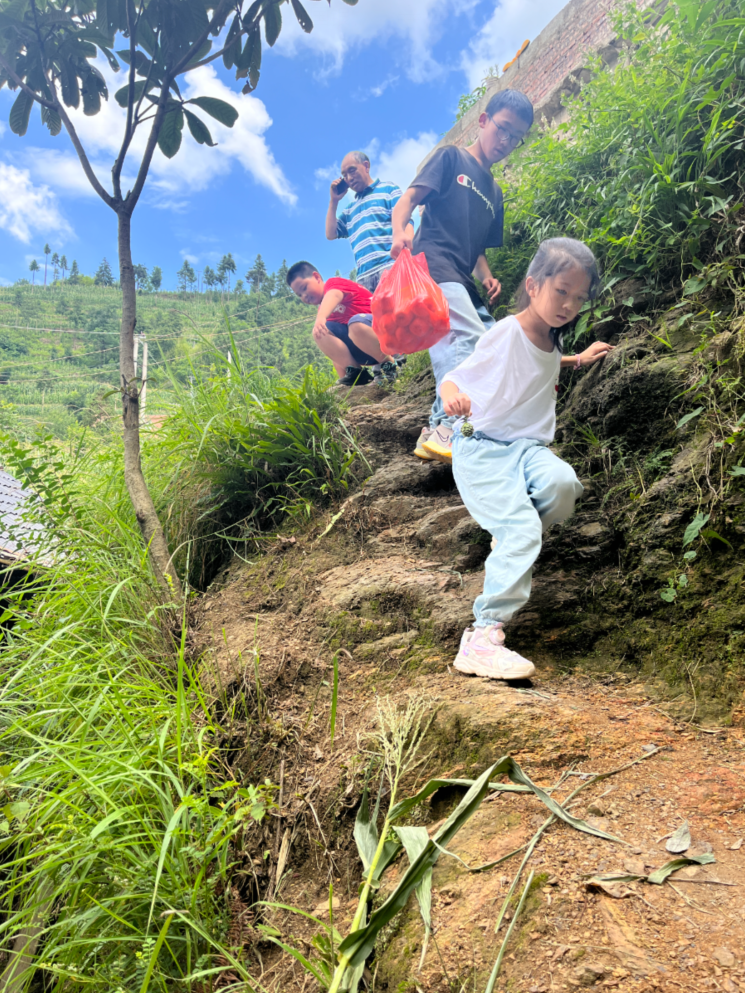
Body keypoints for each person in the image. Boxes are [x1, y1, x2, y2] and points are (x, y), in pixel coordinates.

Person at [439, 238, 614, 680]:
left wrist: (577, 359)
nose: (569, 305)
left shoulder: (550, 337)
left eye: (579, 298)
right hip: (482, 445)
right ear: (533, 286)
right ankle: (482, 637)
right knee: (521, 527)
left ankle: (511, 540)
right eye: (561, 292)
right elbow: (455, 376)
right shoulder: (506, 331)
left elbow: (542, 362)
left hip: (526, 449)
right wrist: (454, 397)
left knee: (563, 486)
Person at [390, 89, 535, 463]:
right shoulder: (450, 158)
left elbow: (478, 249)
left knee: (493, 347)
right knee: (463, 342)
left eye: (516, 137)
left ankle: (436, 428)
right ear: (484, 121)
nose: (506, 141)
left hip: (464, 281)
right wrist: (399, 232)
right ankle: (452, 429)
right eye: (502, 129)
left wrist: (487, 276)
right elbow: (408, 200)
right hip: (434, 267)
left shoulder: (495, 193)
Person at [287, 261, 398, 386]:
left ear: (317, 277)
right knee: (321, 332)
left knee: (354, 325)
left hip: (384, 335)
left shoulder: (333, 284)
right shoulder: (325, 313)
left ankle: (390, 365)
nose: (304, 296)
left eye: (304, 288)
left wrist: (321, 318)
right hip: (366, 350)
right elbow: (336, 350)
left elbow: (334, 295)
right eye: (299, 295)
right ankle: (356, 375)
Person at [326, 151, 415, 293]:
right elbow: (331, 234)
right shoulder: (349, 211)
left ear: (366, 166)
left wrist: (408, 257)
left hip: (390, 267)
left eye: (352, 170)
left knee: (402, 307)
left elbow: (407, 220)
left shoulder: (388, 190)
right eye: (344, 175)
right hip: (363, 278)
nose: (349, 178)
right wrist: (334, 201)